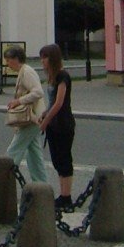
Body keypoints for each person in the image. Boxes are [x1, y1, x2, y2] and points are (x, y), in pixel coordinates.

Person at [38, 43, 76, 210]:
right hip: (54, 125)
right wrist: (45, 113)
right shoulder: (52, 77)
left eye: (45, 57)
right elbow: (52, 102)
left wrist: (46, 120)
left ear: (52, 58)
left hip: (63, 124)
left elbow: (60, 102)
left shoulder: (62, 76)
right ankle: (62, 195)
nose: (42, 61)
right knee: (57, 160)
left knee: (64, 159)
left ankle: (66, 197)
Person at [3, 45, 48, 184]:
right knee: (34, 153)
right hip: (34, 117)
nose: (7, 64)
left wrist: (18, 101)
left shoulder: (27, 72)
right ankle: (41, 183)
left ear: (16, 59)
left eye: (9, 60)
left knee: (15, 148)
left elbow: (38, 92)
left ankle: (3, 175)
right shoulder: (24, 71)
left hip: (32, 117)